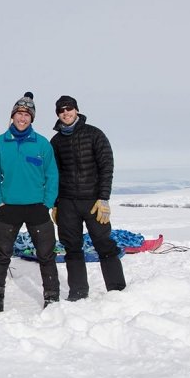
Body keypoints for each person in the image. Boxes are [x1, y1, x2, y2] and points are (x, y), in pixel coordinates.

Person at [0, 92, 60, 311]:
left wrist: (47, 203)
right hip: (9, 208)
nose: (23, 118)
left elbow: (52, 175)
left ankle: (52, 296)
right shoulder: (0, 143)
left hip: (37, 208)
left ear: (32, 119)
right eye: (19, 113)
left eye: (27, 114)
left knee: (46, 255)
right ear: (12, 116)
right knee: (2, 255)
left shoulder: (42, 144)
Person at [50, 95, 126, 301]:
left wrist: (103, 198)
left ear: (76, 110)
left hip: (93, 201)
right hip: (67, 203)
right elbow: (53, 174)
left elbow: (106, 166)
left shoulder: (94, 134)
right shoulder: (55, 141)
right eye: (61, 110)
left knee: (104, 243)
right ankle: (78, 291)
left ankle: (117, 289)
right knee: (72, 247)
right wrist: (55, 203)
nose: (65, 113)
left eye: (69, 108)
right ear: (58, 114)